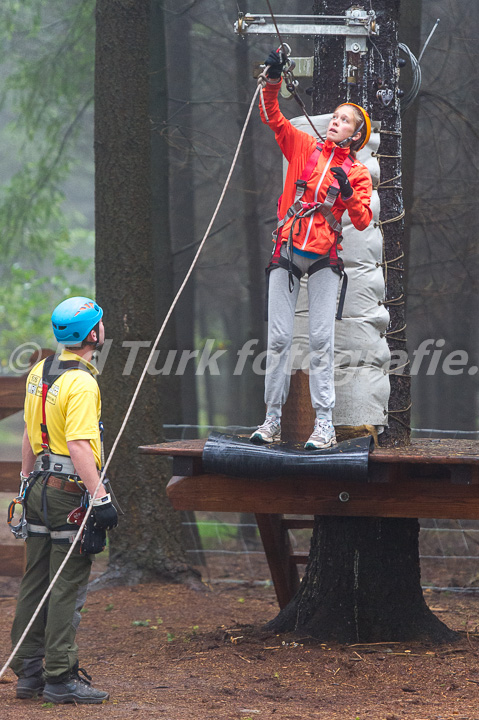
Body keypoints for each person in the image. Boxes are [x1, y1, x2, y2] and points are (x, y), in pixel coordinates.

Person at [250, 49, 373, 449]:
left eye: (344, 120)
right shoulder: (304, 147)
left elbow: (363, 220)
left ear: (356, 134)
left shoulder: (356, 172)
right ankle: (270, 419)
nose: (335, 123)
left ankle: (325, 423)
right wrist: (272, 80)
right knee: (280, 338)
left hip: (324, 258)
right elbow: (274, 118)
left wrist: (349, 190)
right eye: (334, 117)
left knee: (321, 341)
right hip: (287, 249)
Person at [10, 296, 118, 704]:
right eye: (100, 323)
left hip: (37, 486)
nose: (102, 328)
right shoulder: (83, 382)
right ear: (92, 334)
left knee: (36, 579)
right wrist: (100, 496)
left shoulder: (41, 370)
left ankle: (30, 672)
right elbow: (77, 445)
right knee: (66, 583)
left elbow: (27, 431)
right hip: (67, 493)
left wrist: (24, 482)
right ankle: (59, 677)